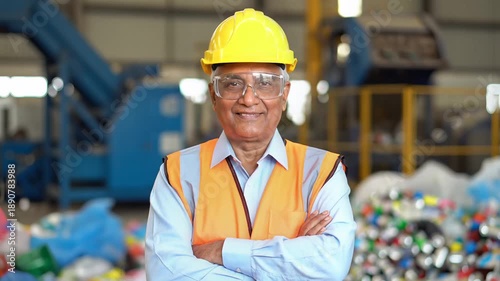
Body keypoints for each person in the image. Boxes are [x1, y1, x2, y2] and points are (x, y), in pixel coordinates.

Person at [145, 8, 356, 281]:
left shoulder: (321, 171)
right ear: (213, 95)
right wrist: (290, 261)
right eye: (233, 84)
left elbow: (331, 264)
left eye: (265, 84)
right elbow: (166, 272)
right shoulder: (178, 173)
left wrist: (223, 251)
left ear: (284, 95)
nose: (248, 98)